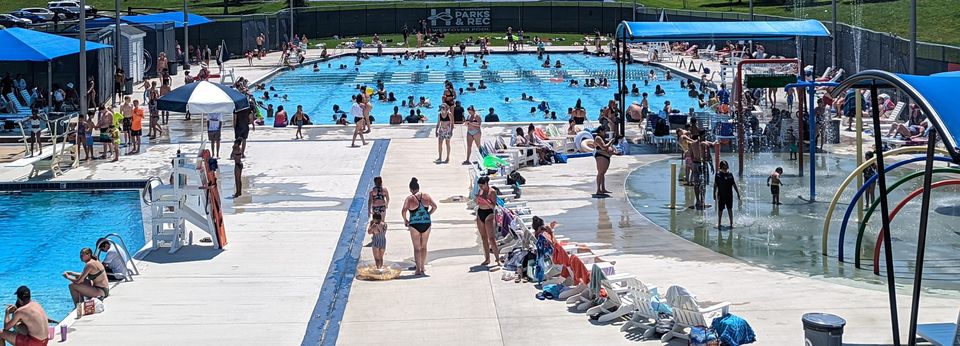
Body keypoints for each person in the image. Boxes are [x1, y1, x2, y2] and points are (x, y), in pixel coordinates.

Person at [402, 178, 436, 275]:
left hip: (414, 224)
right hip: (426, 223)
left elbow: (404, 210)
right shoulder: (426, 196)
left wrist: (405, 220)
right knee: (424, 246)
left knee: (417, 248)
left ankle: (417, 269)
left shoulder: (409, 198)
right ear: (418, 187)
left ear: (411, 189)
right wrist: (428, 213)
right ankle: (422, 267)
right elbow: (435, 206)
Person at [474, 176, 501, 267]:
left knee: (491, 238)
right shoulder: (480, 191)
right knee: (483, 237)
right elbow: (477, 203)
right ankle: (487, 258)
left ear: (486, 183)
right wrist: (478, 199)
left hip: (489, 213)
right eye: (480, 186)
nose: (481, 187)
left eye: (482, 185)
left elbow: (493, 206)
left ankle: (497, 259)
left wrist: (485, 200)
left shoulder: (492, 192)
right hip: (480, 212)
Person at [713, 160, 741, 229]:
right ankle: (719, 223)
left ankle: (731, 224)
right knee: (720, 210)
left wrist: (738, 193)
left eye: (726, 168)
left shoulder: (730, 175)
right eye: (724, 168)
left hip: (729, 195)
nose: (725, 169)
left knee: (730, 209)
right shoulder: (718, 175)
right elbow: (715, 185)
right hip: (721, 195)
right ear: (721, 168)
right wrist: (714, 194)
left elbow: (734, 184)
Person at [593, 126, 616, 197]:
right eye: (604, 131)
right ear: (600, 131)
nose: (605, 133)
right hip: (601, 156)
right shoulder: (598, 138)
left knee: (603, 173)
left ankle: (603, 188)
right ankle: (598, 190)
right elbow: (604, 147)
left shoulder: (601, 138)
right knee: (600, 173)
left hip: (605, 157)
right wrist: (610, 141)